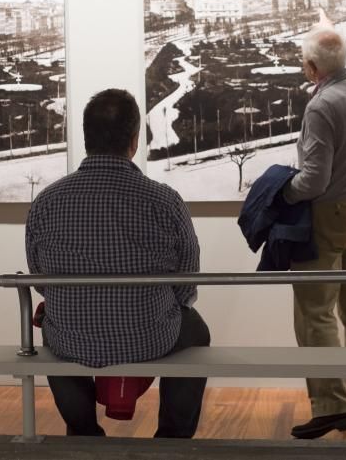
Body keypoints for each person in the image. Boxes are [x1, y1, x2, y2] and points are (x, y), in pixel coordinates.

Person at [25, 88, 210, 438]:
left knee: (51, 336)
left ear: (85, 137)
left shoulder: (47, 202)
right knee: (197, 332)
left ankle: (83, 432)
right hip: (152, 336)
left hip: (72, 337)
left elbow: (41, 279)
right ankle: (172, 439)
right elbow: (187, 280)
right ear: (135, 139)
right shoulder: (164, 201)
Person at [282, 26, 346, 439]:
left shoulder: (322, 106)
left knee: (316, 311)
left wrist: (278, 191)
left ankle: (332, 407)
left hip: (333, 215)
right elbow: (341, 49)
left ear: (311, 69)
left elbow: (313, 182)